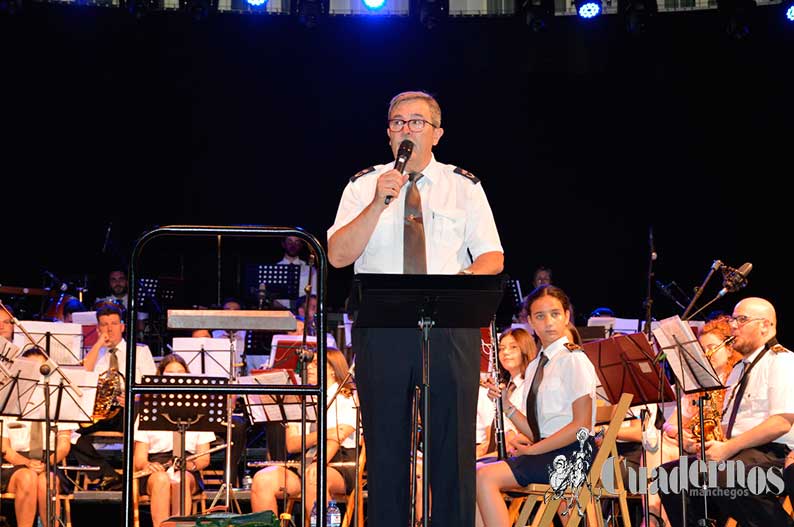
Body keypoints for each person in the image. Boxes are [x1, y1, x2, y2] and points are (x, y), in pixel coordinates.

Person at [327, 90, 503, 527]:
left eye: (417, 122)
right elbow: (337, 255)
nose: (406, 129)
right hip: (383, 328)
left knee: (452, 447)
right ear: (388, 133)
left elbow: (492, 256)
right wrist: (377, 203)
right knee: (386, 449)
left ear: (438, 133)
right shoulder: (362, 185)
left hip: (449, 326)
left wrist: (462, 283)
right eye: (398, 122)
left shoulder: (464, 187)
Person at [659, 297, 794, 527]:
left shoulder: (781, 360)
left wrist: (728, 448)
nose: (733, 326)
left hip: (773, 453)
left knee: (723, 476)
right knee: (671, 476)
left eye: (742, 320)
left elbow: (781, 422)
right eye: (733, 319)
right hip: (740, 452)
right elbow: (726, 427)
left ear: (765, 326)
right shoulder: (738, 371)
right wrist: (700, 444)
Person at [476, 285, 597, 527]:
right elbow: (535, 430)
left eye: (555, 314)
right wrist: (505, 404)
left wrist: (534, 450)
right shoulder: (535, 366)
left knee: (484, 478)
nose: (548, 322)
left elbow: (581, 426)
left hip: (572, 452)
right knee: (475, 476)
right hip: (546, 450)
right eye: (540, 316)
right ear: (530, 321)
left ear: (567, 316)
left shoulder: (574, 359)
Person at [646, 317, 741, 526]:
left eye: (713, 347)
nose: (707, 353)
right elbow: (669, 425)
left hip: (723, 447)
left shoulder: (736, 379)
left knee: (668, 461)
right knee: (658, 445)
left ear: (729, 349)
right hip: (697, 446)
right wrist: (682, 436)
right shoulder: (697, 382)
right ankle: (653, 516)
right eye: (702, 348)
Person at [250, 349, 358, 517]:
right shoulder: (300, 398)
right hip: (303, 461)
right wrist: (324, 433)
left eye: (316, 364)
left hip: (339, 462)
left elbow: (339, 436)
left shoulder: (346, 396)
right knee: (262, 480)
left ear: (332, 368)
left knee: (315, 479)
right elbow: (292, 444)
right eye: (309, 363)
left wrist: (319, 461)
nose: (310, 368)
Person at [71, 303, 157, 491]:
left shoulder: (140, 351)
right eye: (104, 324)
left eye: (114, 323)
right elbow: (84, 375)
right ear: (98, 328)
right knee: (67, 432)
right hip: (100, 412)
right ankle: (107, 475)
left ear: (123, 327)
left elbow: (153, 389)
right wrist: (99, 344)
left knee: (134, 415)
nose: (109, 329)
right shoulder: (93, 354)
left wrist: (134, 398)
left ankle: (134, 478)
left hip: (128, 410)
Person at [133, 354, 215, 527]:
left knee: (180, 478)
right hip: (157, 468)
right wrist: (148, 466)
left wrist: (190, 465)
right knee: (162, 479)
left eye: (181, 373)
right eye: (170, 374)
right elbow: (139, 459)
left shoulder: (199, 411)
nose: (176, 378)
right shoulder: (149, 411)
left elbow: (203, 458)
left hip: (188, 467)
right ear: (161, 378)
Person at [0, 347, 76, 527]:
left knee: (47, 482)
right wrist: (26, 463)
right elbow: (4, 447)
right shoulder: (9, 399)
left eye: (42, 369)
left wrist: (48, 462)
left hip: (48, 460)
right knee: (27, 478)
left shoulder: (58, 400)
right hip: (15, 463)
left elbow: (64, 445)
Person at [476, 327, 536, 459]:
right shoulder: (506, 387)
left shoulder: (532, 384)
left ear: (525, 349)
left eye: (513, 347)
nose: (506, 352)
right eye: (501, 348)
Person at [274, 235, 318, 310]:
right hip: (279, 314)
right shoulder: (275, 269)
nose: (293, 245)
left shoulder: (310, 270)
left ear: (301, 245)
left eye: (297, 242)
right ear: (283, 244)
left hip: (302, 314)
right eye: (289, 241)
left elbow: (314, 295)